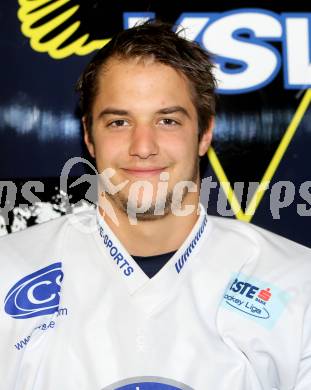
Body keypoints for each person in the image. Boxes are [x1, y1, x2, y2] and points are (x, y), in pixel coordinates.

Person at [1, 20, 311, 390]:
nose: (143, 146)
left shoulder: (297, 283)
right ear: (88, 135)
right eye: (118, 122)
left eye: (167, 120)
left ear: (204, 133)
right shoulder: (9, 269)